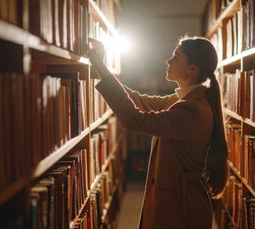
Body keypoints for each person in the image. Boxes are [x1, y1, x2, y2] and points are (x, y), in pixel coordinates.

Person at [88, 36, 228, 229]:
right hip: (176, 203)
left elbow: (134, 119)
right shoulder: (184, 101)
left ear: (192, 69)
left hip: (180, 211)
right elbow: (138, 100)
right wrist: (101, 69)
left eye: (176, 57)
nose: (168, 61)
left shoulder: (190, 110)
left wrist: (102, 68)